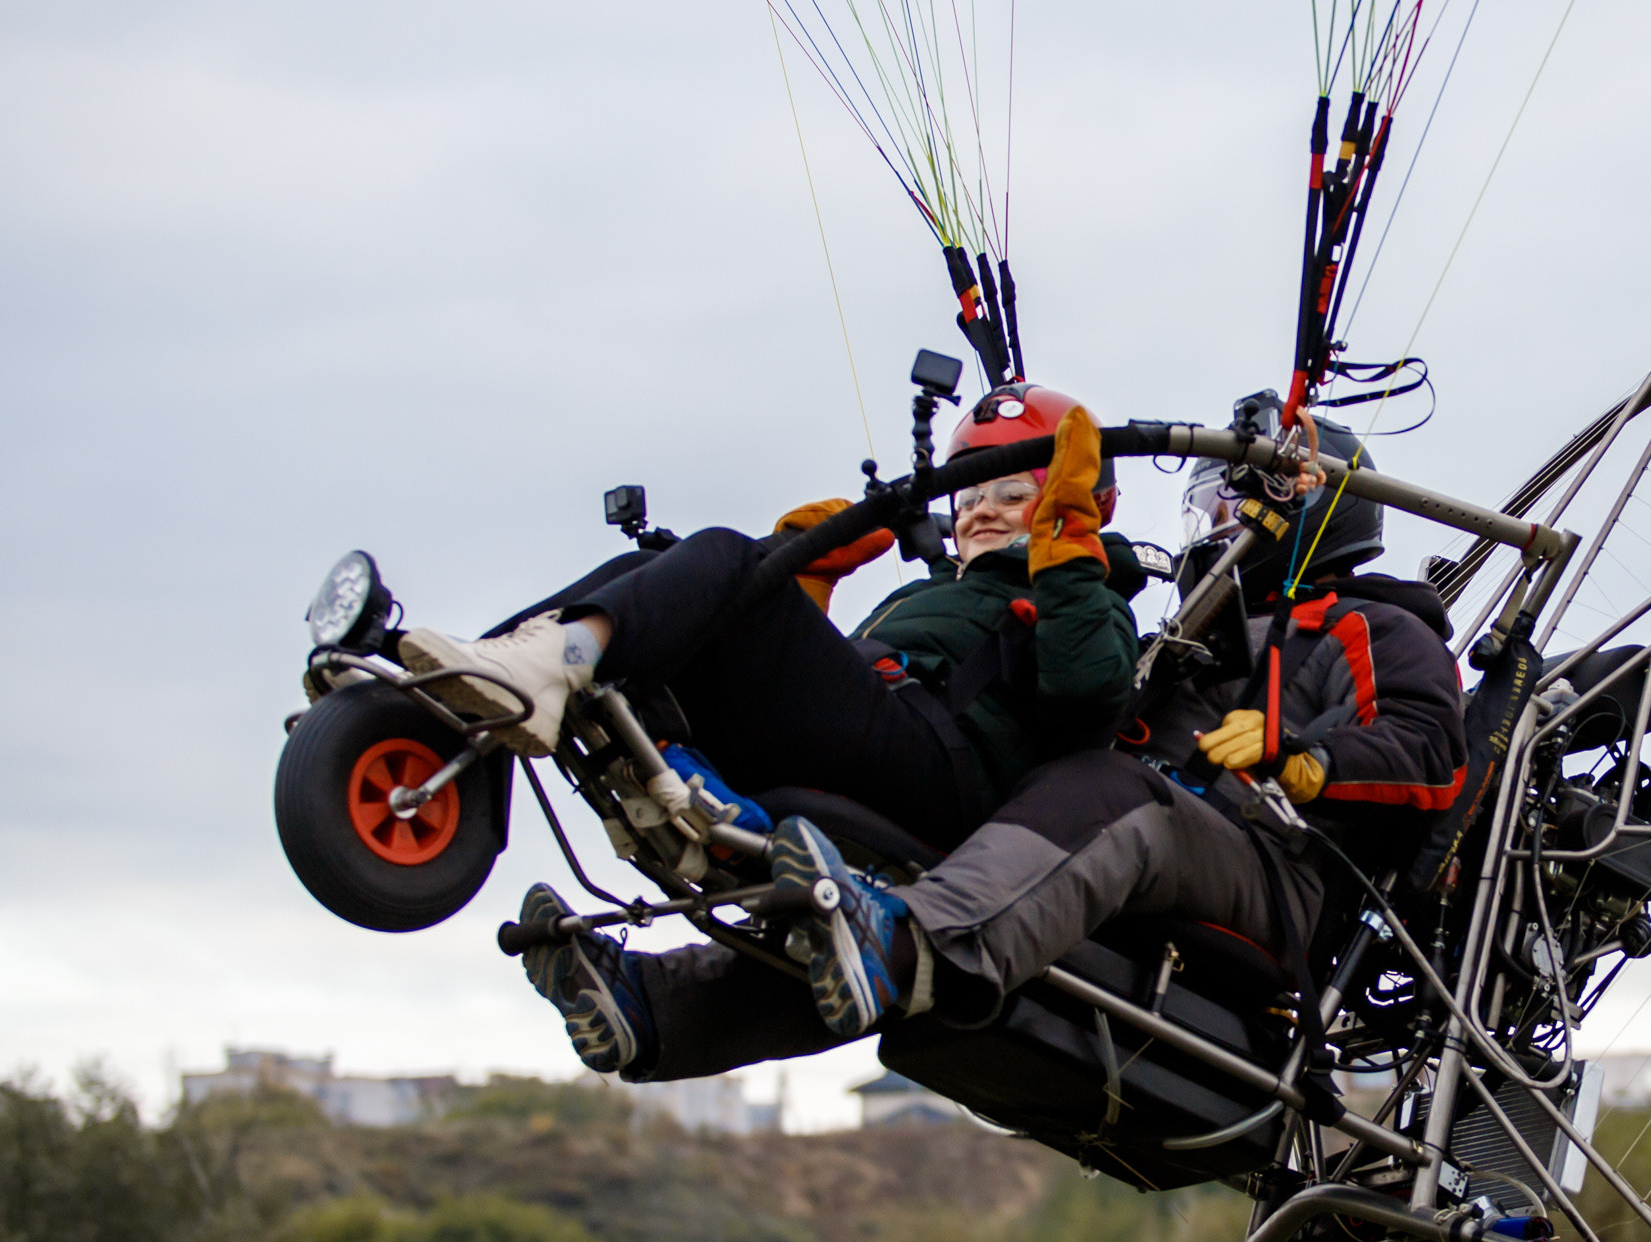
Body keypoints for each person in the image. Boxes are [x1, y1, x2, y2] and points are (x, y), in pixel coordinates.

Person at [555, 408, 1467, 1074]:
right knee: (919, 872)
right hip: (1109, 860)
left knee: (1104, 798)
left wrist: (1303, 759)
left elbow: (1430, 751)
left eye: (1236, 508)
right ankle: (660, 1010)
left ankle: (921, 950)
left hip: (1269, 870)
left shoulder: (1371, 625)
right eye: (1212, 508)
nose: (1218, 526)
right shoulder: (1195, 641)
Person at [395, 386, 1144, 1071]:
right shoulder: (933, 595)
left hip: (943, 777)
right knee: (661, 581)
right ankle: (455, 701)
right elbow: (809, 690)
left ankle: (528, 674)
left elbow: (1087, 699)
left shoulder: (1092, 597)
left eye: (1012, 492)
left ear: (1075, 505)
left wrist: (1068, 556)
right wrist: (803, 586)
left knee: (726, 560)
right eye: (969, 493)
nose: (979, 509)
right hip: (871, 745)